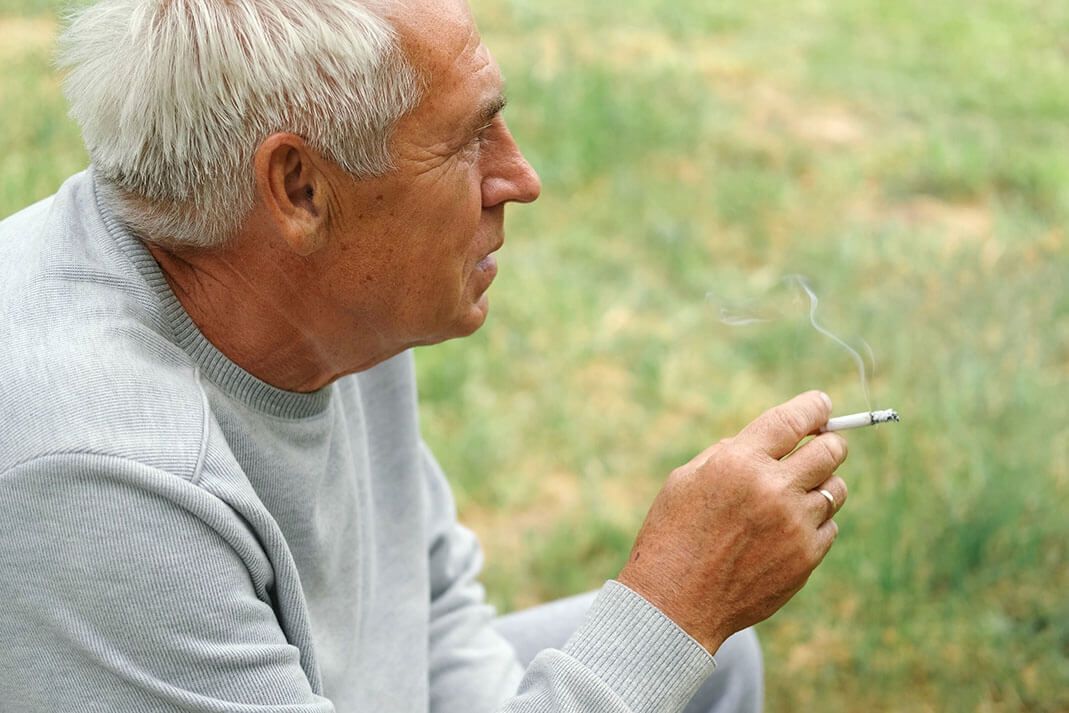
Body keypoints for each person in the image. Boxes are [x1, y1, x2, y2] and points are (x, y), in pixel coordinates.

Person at [0, 0, 849, 711]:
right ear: (299, 188)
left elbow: (426, 607)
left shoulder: (315, 290)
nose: (519, 177)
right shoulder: (104, 482)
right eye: (468, 139)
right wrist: (674, 608)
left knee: (711, 670)